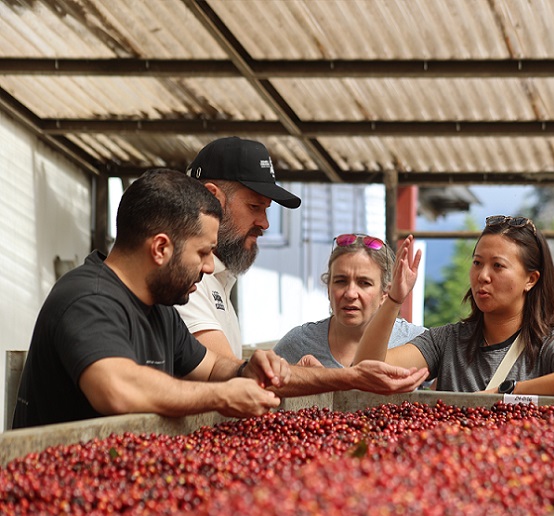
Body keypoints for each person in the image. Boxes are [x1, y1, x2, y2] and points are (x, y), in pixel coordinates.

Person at [12, 169, 290, 429]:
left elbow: (211, 367)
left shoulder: (160, 308)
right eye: (203, 253)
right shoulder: (87, 299)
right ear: (160, 248)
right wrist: (220, 396)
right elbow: (117, 389)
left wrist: (245, 370)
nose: (208, 267)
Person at [178, 137, 429, 396]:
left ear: (384, 291)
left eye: (364, 283)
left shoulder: (217, 279)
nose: (264, 223)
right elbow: (226, 372)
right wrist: (341, 377)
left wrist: (299, 374)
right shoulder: (186, 281)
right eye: (254, 206)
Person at [353, 216, 554, 397]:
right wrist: (394, 300)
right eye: (477, 263)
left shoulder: (550, 343)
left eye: (498, 266)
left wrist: (506, 392)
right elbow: (366, 370)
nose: (483, 276)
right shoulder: (447, 341)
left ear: (531, 279)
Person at [273, 233, 426, 368]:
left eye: (364, 283)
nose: (350, 294)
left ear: (385, 293)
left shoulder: (414, 341)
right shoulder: (299, 343)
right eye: (341, 281)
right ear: (328, 288)